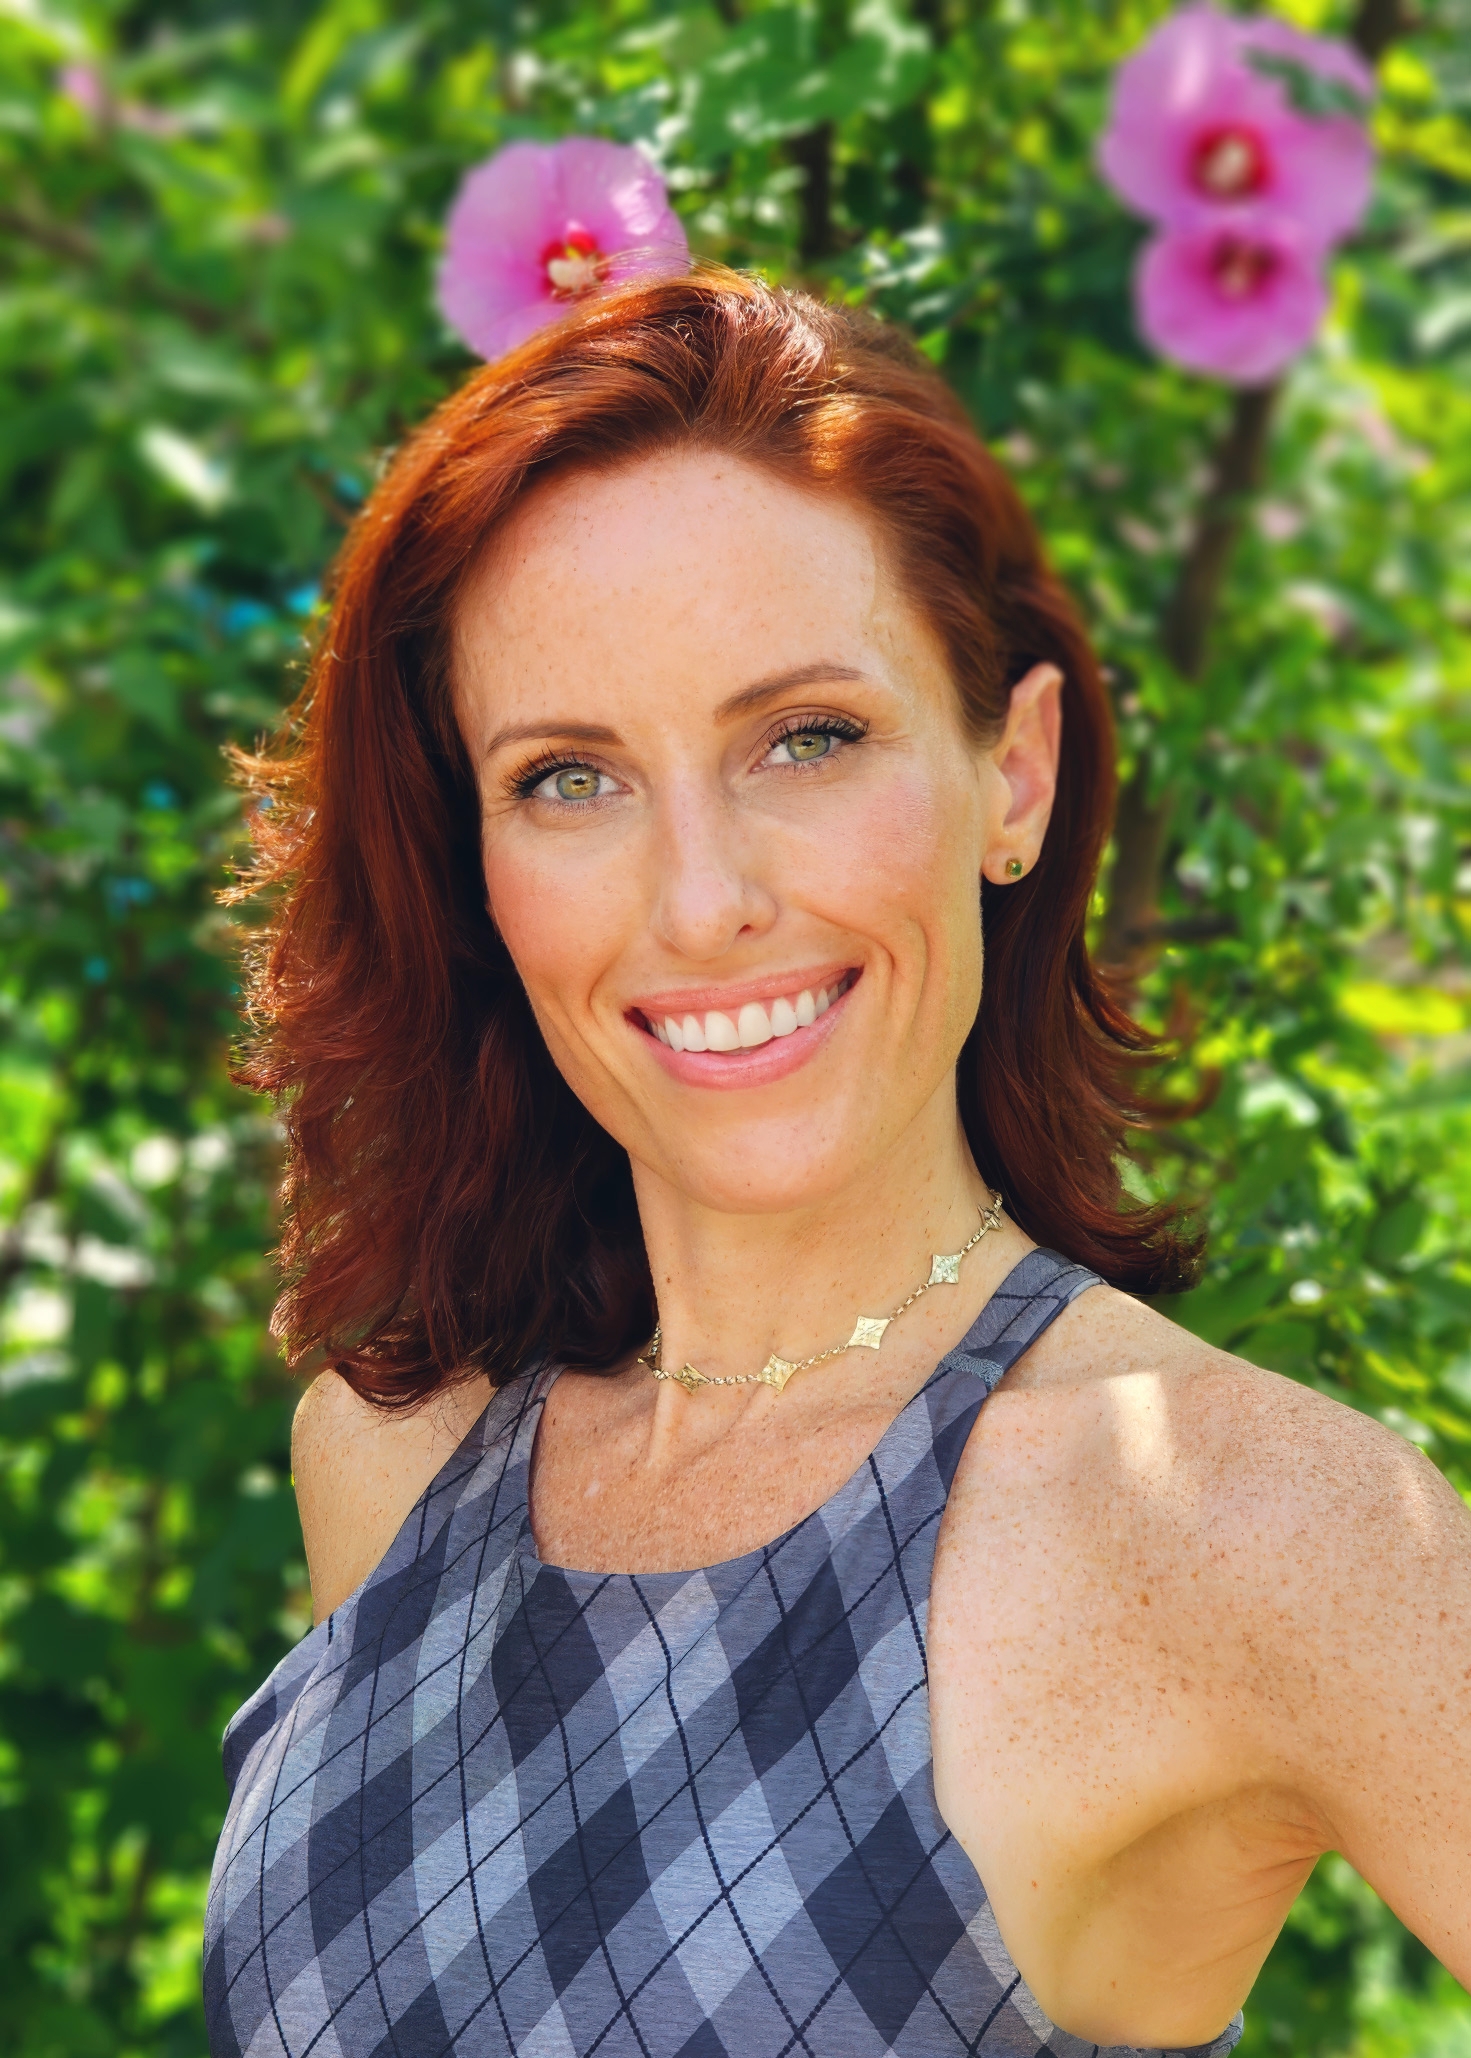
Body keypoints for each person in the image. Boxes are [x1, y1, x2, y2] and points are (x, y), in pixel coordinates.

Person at [203, 268, 1470, 2058]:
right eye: (570, 777)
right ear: (470, 859)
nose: (704, 898)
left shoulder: (1238, 1524)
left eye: (808, 737)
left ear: (1012, 773)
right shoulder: (390, 1456)